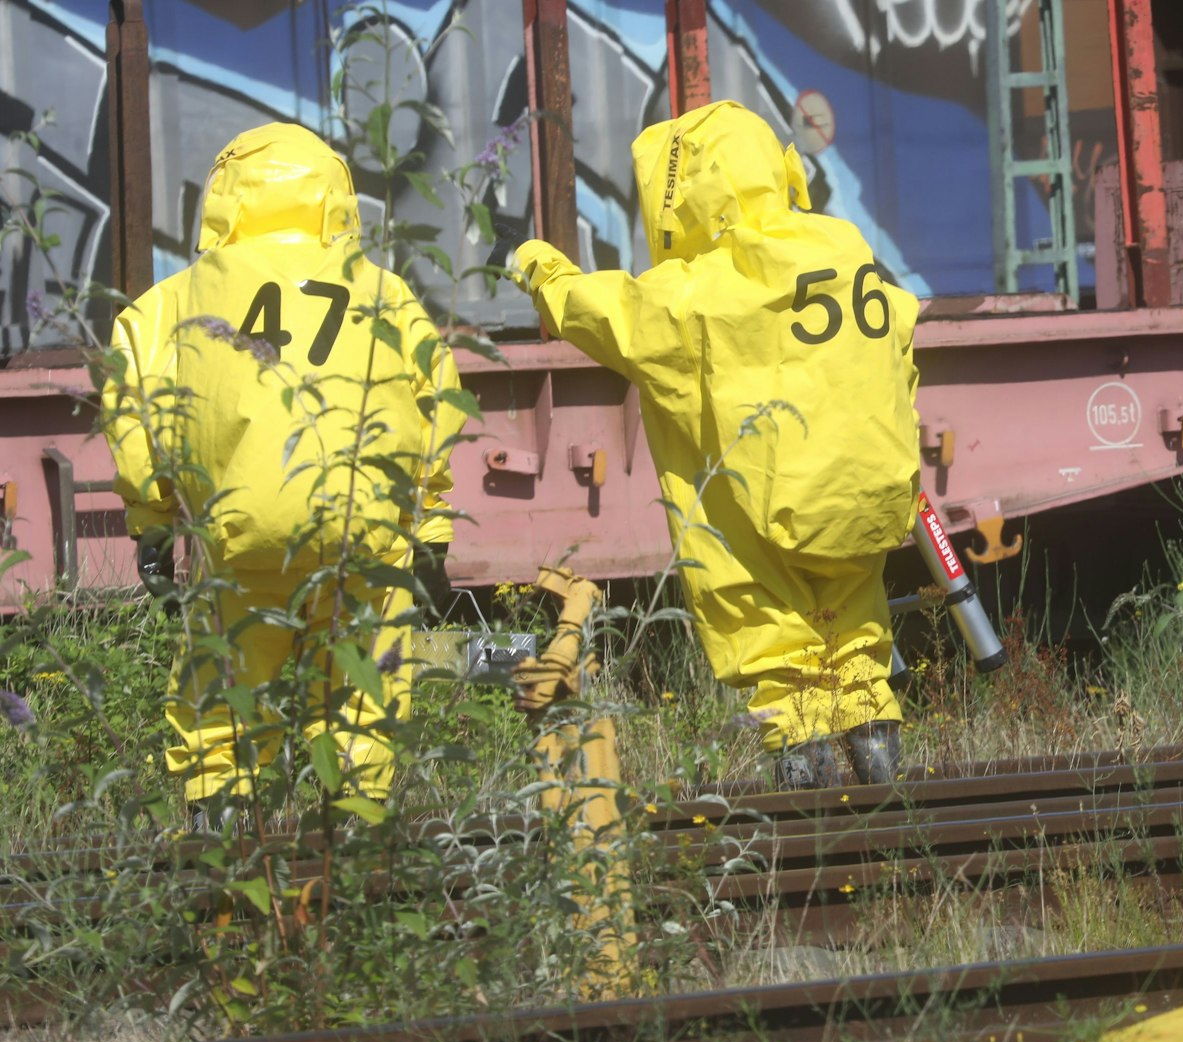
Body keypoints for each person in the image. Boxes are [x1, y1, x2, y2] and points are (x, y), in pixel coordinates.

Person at [513, 100, 920, 789]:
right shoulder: (844, 248)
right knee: (853, 620)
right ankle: (874, 734)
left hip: (764, 503)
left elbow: (598, 312)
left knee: (764, 615)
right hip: (868, 490)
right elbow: (902, 334)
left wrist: (536, 266)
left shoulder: (695, 292)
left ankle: (806, 762)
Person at [104, 123, 463, 813]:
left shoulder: (172, 300)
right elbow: (434, 404)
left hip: (240, 538)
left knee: (223, 690)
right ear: (335, 196)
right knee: (363, 691)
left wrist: (153, 520)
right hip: (363, 533)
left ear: (226, 199)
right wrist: (432, 528)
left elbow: (131, 406)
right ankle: (355, 829)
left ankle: (221, 824)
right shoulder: (384, 291)